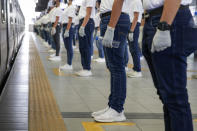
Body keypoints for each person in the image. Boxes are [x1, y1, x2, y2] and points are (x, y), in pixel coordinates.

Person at [142, 0, 197, 130]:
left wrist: (164, 26)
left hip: (169, 19)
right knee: (167, 97)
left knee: (175, 97)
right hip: (156, 18)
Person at [92, 0, 132, 122]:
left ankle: (117, 109)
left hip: (115, 19)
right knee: (112, 66)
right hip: (110, 18)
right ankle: (112, 105)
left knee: (117, 67)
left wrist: (111, 27)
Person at [75, 0, 96, 77]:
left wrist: (83, 25)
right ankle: (84, 68)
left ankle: (87, 69)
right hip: (84, 21)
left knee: (86, 46)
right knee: (82, 47)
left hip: (87, 22)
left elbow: (89, 12)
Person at [127, 0, 143, 78]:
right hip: (131, 24)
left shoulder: (136, 1)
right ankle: (135, 69)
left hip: (133, 26)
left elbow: (136, 17)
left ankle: (138, 70)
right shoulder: (132, 2)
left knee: (134, 48)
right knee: (132, 48)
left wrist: (132, 30)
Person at [60, 0, 75, 70]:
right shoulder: (67, 7)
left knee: (69, 46)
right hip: (65, 27)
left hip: (68, 27)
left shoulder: (71, 7)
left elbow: (70, 19)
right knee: (67, 46)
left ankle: (69, 64)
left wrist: (67, 30)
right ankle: (68, 63)